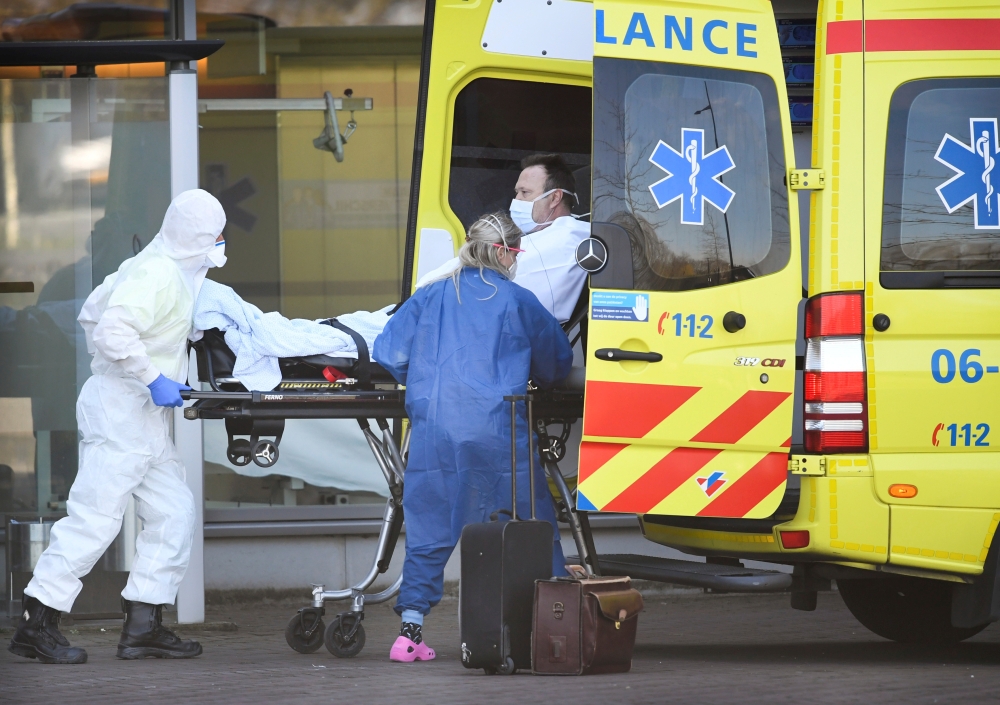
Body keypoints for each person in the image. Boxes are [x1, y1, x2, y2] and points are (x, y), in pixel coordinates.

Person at [8, 189, 228, 665]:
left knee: (173, 512)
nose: (221, 244)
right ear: (198, 238)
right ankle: (37, 623)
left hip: (141, 415)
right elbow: (110, 332)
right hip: (121, 408)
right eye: (216, 237)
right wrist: (151, 378)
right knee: (95, 518)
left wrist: (155, 377)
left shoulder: (167, 269)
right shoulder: (156, 274)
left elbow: (95, 314)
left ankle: (144, 624)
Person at [374, 212, 574, 663]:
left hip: (436, 433)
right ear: (505, 252)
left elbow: (388, 352)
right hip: (499, 433)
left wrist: (426, 376)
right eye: (517, 252)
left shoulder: (431, 295)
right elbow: (555, 365)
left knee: (429, 528)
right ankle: (556, 627)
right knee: (532, 524)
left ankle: (409, 634)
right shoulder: (518, 301)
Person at [416, 154, 590, 323]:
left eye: (525, 192)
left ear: (554, 198)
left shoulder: (568, 237)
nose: (517, 200)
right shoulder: (540, 237)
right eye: (517, 192)